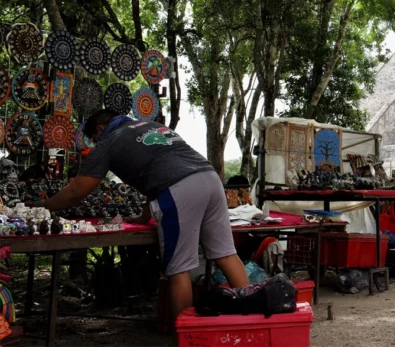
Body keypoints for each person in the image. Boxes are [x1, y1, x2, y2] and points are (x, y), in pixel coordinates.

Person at [28, 110, 249, 320]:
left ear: (100, 128)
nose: (95, 143)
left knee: (179, 268)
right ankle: (253, 317)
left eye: (94, 138)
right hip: (211, 179)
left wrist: (44, 205)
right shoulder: (152, 126)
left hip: (179, 190)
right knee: (226, 254)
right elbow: (157, 173)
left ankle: (184, 336)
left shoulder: (109, 141)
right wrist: (145, 216)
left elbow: (76, 192)